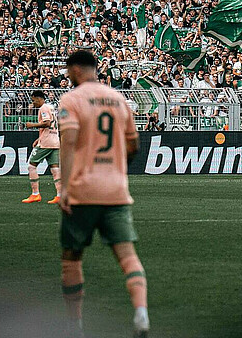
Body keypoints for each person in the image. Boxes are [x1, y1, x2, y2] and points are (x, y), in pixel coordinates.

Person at [57, 50, 149, 337]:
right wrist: (119, 167)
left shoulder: (72, 99)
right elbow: (133, 144)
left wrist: (65, 187)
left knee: (72, 257)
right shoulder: (118, 99)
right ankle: (141, 312)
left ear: (75, 70)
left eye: (68, 71)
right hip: (115, 190)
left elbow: (68, 143)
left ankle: (74, 325)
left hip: (83, 191)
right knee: (127, 256)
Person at [22, 89, 61, 204]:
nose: (33, 103)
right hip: (55, 141)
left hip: (46, 142)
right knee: (55, 169)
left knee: (31, 166)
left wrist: (32, 125)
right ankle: (60, 196)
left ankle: (35, 194)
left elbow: (47, 123)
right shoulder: (51, 108)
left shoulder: (43, 108)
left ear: (39, 98)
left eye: (33, 100)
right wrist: (39, 138)